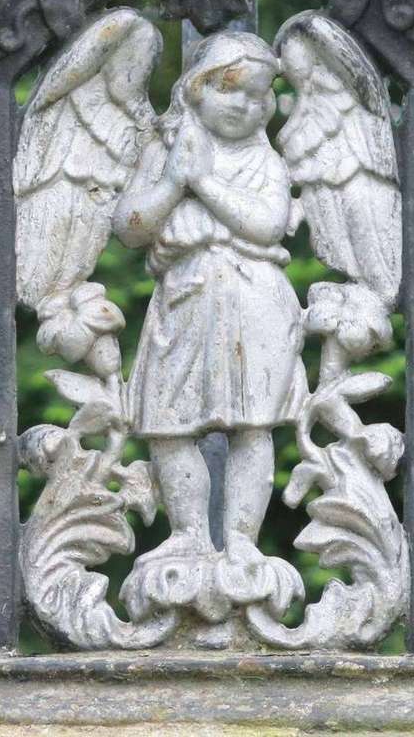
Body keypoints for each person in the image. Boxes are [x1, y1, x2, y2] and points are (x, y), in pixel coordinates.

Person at [113, 31, 305, 568]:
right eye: (229, 89)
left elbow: (267, 225)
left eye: (257, 95)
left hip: (253, 297)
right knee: (167, 423)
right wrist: (176, 180)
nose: (243, 105)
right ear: (196, 89)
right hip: (185, 297)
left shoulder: (265, 159)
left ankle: (242, 540)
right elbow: (130, 227)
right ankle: (189, 533)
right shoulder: (166, 147)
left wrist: (203, 184)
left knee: (253, 425)